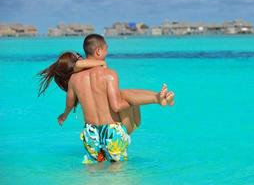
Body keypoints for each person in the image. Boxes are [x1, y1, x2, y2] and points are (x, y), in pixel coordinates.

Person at [38, 35, 174, 163]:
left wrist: (64, 116)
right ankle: (156, 98)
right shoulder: (109, 74)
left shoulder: (74, 79)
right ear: (98, 51)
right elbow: (116, 107)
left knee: (94, 169)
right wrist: (133, 101)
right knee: (125, 95)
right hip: (112, 132)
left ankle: (157, 98)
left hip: (90, 132)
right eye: (106, 50)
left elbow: (69, 104)